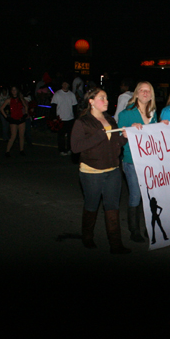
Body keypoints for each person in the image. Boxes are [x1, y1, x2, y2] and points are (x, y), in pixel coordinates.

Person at [70, 87, 132, 254]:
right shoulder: (82, 122)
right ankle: (87, 237)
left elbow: (115, 143)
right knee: (92, 205)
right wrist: (99, 135)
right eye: (102, 98)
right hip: (92, 172)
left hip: (113, 170)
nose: (106, 101)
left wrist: (123, 137)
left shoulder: (110, 120)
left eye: (106, 98)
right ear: (91, 102)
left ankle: (116, 243)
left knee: (112, 207)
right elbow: (75, 147)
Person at [118, 81, 160, 243]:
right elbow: (118, 138)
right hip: (132, 161)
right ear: (136, 93)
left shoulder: (153, 112)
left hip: (150, 160)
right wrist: (127, 132)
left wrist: (162, 126)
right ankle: (134, 230)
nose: (145, 93)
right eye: (142, 90)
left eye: (148, 91)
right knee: (135, 195)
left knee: (150, 196)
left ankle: (149, 227)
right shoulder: (126, 114)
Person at [51, 81, 79, 156]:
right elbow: (53, 106)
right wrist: (54, 117)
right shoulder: (57, 94)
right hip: (61, 118)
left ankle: (70, 148)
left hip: (70, 118)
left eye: (67, 83)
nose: (65, 85)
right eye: (64, 83)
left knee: (70, 135)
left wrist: (75, 117)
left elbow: (74, 107)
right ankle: (62, 150)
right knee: (61, 136)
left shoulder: (71, 95)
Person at [0, 86, 28, 157]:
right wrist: (7, 117)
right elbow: (1, 108)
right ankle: (7, 151)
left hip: (21, 119)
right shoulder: (9, 100)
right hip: (13, 119)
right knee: (13, 136)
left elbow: (26, 106)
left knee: (21, 136)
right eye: (12, 90)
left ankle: (21, 150)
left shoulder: (20, 99)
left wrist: (25, 114)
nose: (14, 91)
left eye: (15, 90)